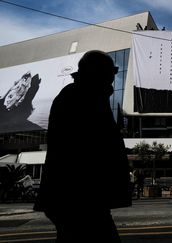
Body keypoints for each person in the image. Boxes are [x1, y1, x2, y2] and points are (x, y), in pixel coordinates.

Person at [33, 50, 131, 242]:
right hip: (80, 197)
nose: (114, 75)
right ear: (96, 71)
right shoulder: (81, 97)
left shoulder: (86, 95)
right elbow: (88, 149)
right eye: (112, 70)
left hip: (80, 197)